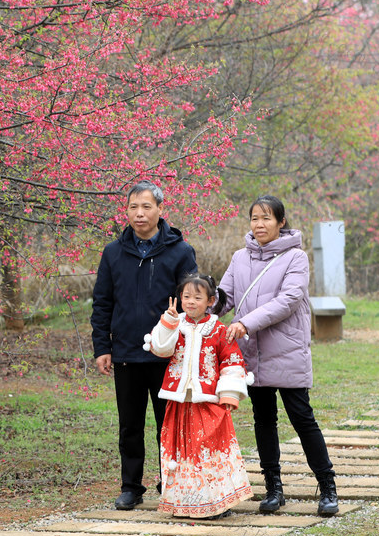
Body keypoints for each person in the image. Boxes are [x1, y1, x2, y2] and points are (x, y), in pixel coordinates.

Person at [216, 195, 339, 516]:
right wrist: (198, 305)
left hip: (286, 351)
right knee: (263, 419)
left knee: (302, 418)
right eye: (255, 218)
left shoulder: (296, 258)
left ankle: (327, 486)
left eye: (267, 218)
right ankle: (273, 489)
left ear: (281, 222)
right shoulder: (239, 258)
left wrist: (245, 323)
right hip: (252, 352)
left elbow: (288, 300)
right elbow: (225, 296)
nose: (259, 224)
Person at [91, 180, 198, 510]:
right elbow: (102, 302)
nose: (139, 214)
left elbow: (191, 302)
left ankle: (171, 481)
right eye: (133, 207)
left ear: (160, 209)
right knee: (130, 425)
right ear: (127, 210)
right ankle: (131, 486)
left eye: (146, 207)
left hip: (168, 354)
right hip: (125, 352)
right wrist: (102, 347)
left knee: (168, 424)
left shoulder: (180, 251)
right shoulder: (113, 253)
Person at [144, 274, 254, 518]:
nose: (190, 302)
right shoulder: (175, 324)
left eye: (197, 297)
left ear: (211, 301)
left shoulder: (219, 330)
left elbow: (231, 361)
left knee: (208, 451)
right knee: (181, 452)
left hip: (208, 402)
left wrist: (229, 394)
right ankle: (184, 501)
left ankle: (215, 501)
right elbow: (160, 349)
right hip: (179, 401)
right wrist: (168, 323)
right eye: (186, 296)